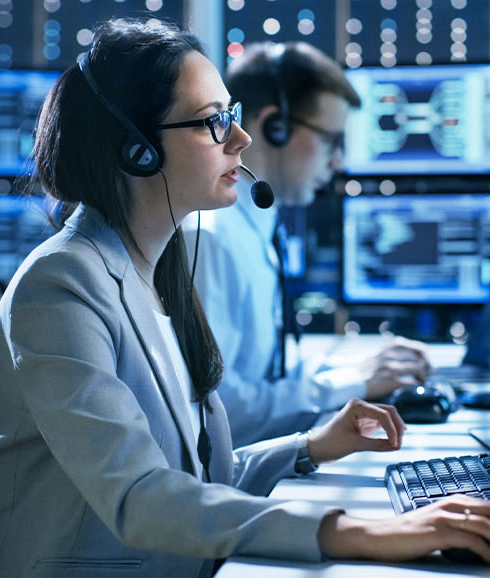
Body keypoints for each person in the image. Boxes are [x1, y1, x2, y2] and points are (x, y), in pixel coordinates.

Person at [0, 19, 490, 577]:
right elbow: (141, 496)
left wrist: (310, 447)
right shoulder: (61, 284)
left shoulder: (160, 271)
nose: (241, 139)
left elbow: (196, 476)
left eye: (232, 116)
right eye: (213, 122)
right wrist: (362, 531)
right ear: (137, 148)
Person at [185, 41, 432, 447]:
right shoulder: (209, 239)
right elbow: (220, 412)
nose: (338, 162)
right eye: (331, 141)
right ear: (275, 127)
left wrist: (360, 370)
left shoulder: (256, 226)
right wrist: (355, 381)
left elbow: (267, 372)